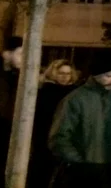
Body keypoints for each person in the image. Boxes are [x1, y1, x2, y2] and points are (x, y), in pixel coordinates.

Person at [49, 55, 111, 188]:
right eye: (109, 76)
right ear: (96, 75)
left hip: (109, 169)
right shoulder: (75, 99)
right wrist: (78, 162)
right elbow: (59, 137)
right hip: (82, 171)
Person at [30, 59, 78, 188]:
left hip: (67, 138)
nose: (64, 77)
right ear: (53, 73)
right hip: (45, 137)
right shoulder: (45, 92)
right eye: (61, 73)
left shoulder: (75, 93)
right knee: (43, 172)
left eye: (68, 74)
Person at [0, 36, 23, 188]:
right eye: (20, 53)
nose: (24, 58)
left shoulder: (19, 78)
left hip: (8, 135)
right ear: (7, 54)